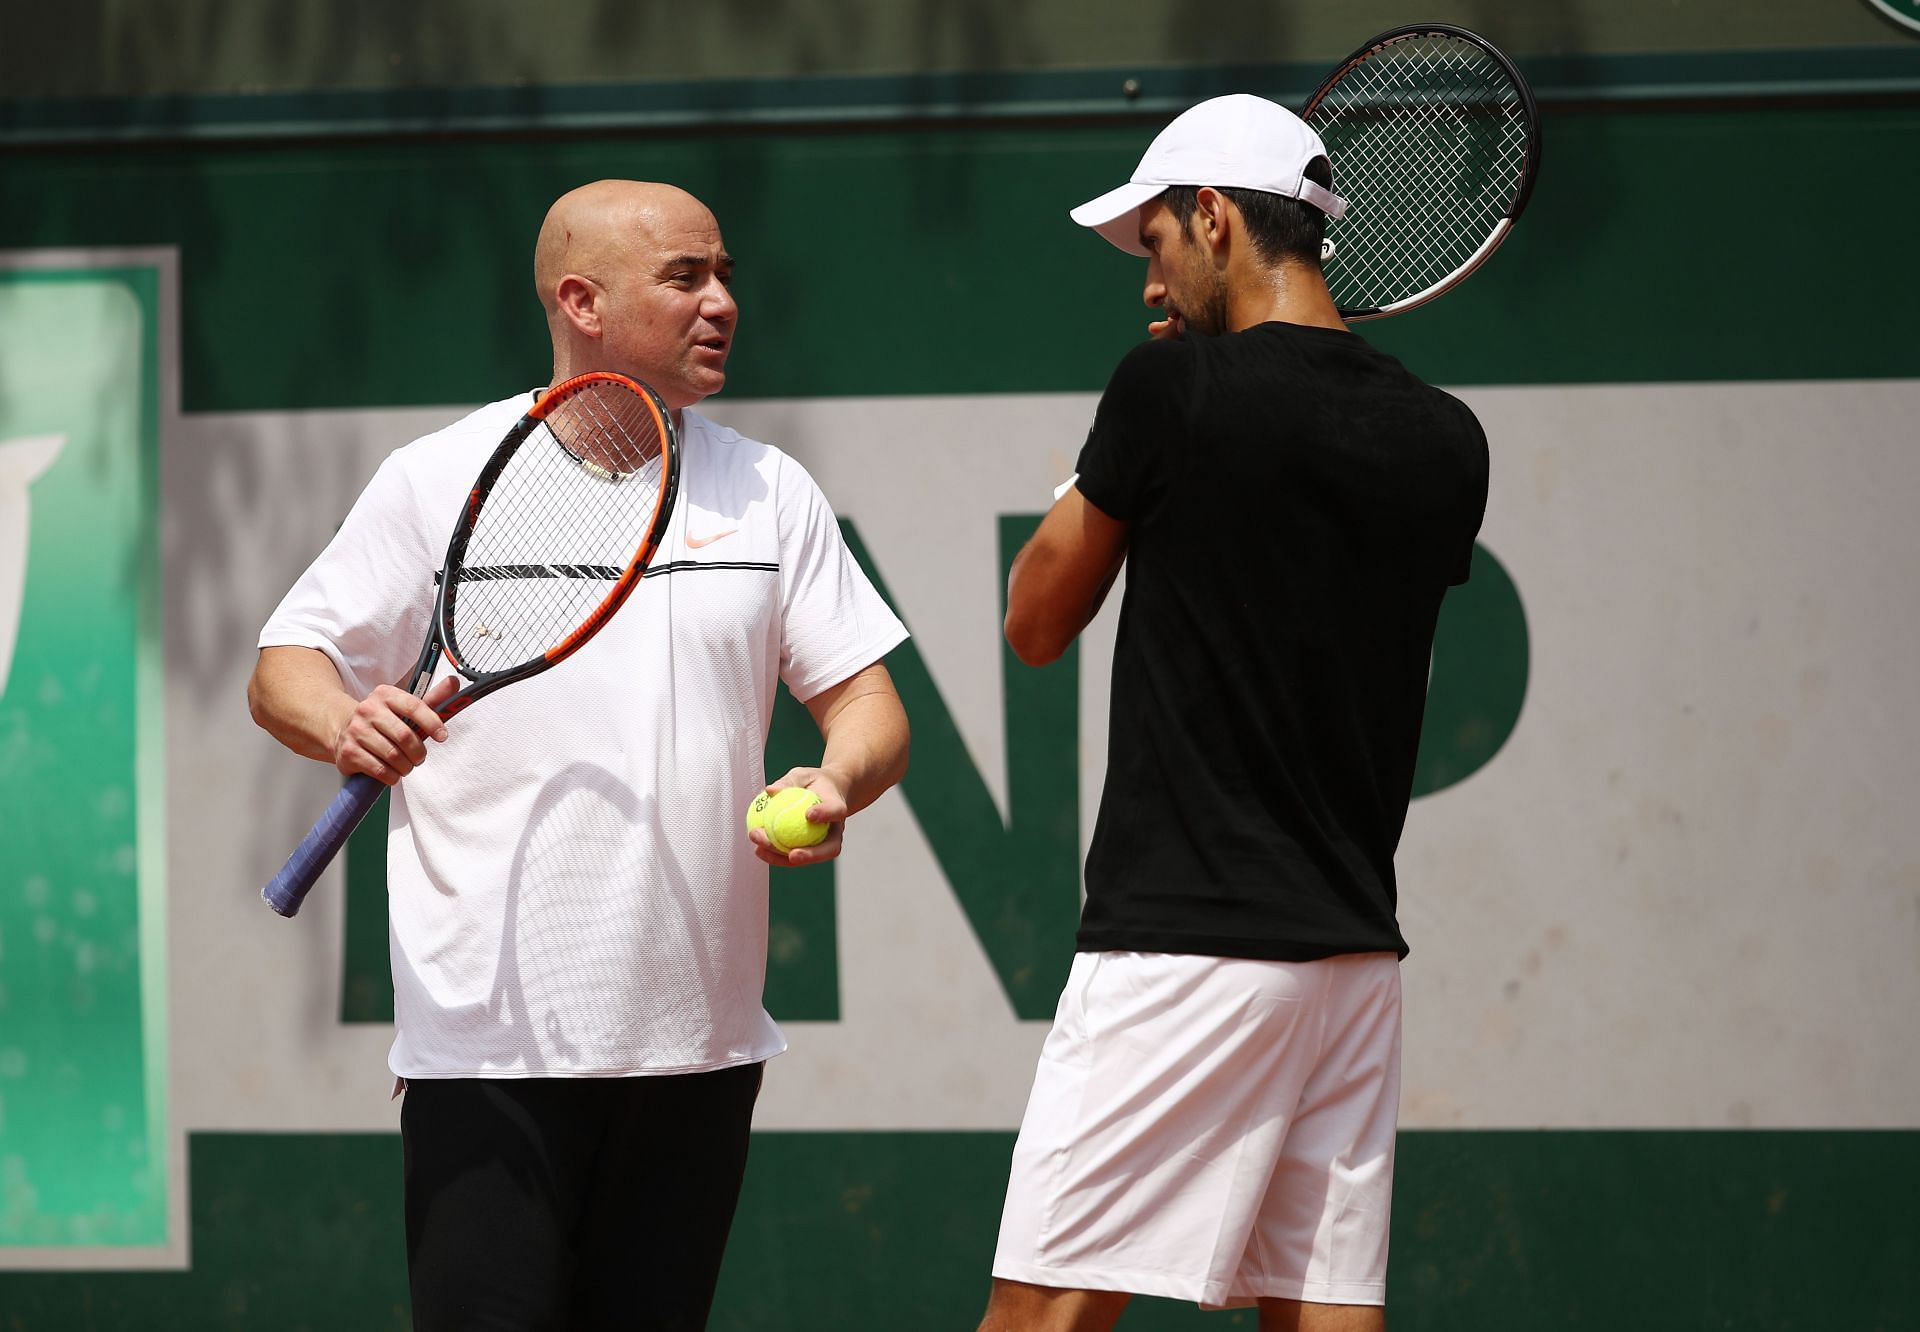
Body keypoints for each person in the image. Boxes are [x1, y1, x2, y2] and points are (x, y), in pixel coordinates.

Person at [248, 180, 910, 1331]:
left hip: (697, 1046)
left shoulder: (769, 492)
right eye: (685, 278)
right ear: (581, 302)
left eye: (725, 276)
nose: (722, 304)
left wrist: (837, 776)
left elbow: (870, 705)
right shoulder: (435, 478)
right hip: (487, 1047)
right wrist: (344, 719)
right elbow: (285, 666)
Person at [979, 95, 1489, 1332]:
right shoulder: (1445, 437)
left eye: (1155, 244)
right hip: (1351, 958)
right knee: (1320, 1316)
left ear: (1213, 218)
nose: (1148, 282)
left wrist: (1106, 455)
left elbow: (1034, 622)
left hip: (1188, 944)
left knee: (1039, 1320)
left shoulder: (1170, 394)